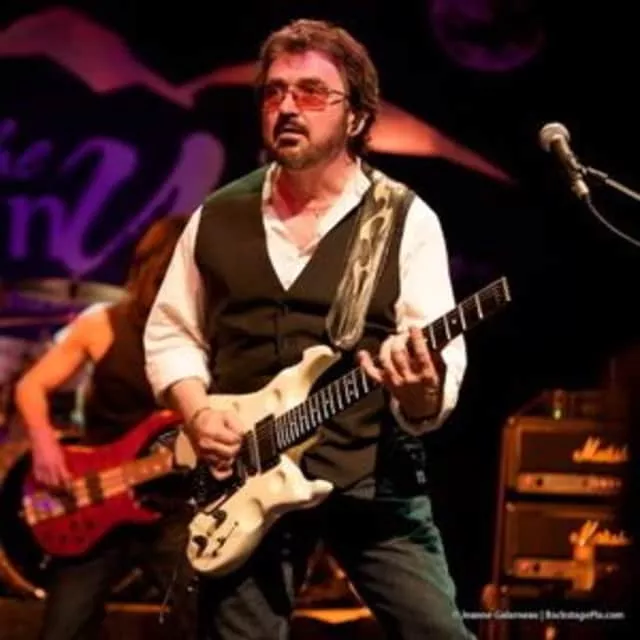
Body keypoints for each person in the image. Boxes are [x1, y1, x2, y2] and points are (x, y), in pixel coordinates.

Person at [144, 18, 473, 640]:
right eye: (275, 92)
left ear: (357, 117)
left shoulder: (406, 219)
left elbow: (435, 376)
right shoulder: (217, 214)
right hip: (244, 480)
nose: (288, 107)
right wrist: (196, 412)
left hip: (371, 477)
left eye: (313, 92)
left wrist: (420, 391)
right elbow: (171, 335)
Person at [14, 215, 196, 640]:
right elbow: (31, 386)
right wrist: (44, 443)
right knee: (63, 628)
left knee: (208, 620)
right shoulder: (102, 324)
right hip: (97, 497)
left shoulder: (204, 332)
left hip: (175, 504)